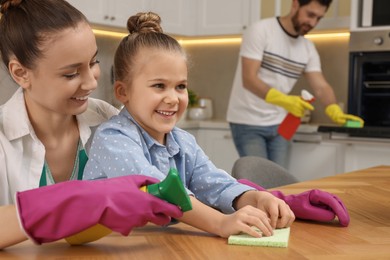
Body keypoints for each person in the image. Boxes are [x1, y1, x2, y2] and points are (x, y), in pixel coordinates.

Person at [83, 11, 296, 239]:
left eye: (180, 86)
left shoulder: (183, 142)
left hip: (158, 244)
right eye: (159, 86)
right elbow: (160, 191)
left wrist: (255, 198)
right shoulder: (113, 138)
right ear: (123, 91)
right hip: (107, 248)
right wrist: (221, 223)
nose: (173, 98)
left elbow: (216, 184)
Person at [0, 0, 181, 249]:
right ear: (21, 73)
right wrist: (79, 201)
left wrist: (240, 195)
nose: (91, 83)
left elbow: (174, 175)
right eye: (71, 73)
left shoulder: (109, 122)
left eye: (93, 63)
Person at [226, 0, 364, 168]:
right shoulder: (260, 30)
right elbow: (249, 79)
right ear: (295, 5)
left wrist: (333, 108)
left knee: (279, 181)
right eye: (310, 15)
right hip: (247, 122)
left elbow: (321, 86)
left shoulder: (307, 48)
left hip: (281, 124)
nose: (313, 23)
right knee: (259, 182)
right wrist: (285, 100)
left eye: (319, 18)